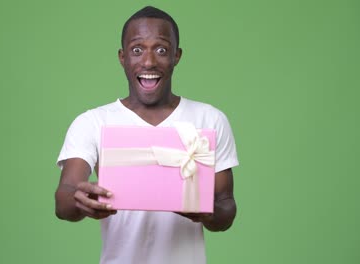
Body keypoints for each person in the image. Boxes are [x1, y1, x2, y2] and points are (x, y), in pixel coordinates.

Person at [55, 6, 239, 264]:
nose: (149, 61)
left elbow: (226, 208)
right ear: (122, 57)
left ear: (177, 56)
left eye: (162, 50)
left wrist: (207, 213)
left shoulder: (210, 119)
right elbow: (64, 200)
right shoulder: (93, 122)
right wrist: (80, 201)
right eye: (137, 50)